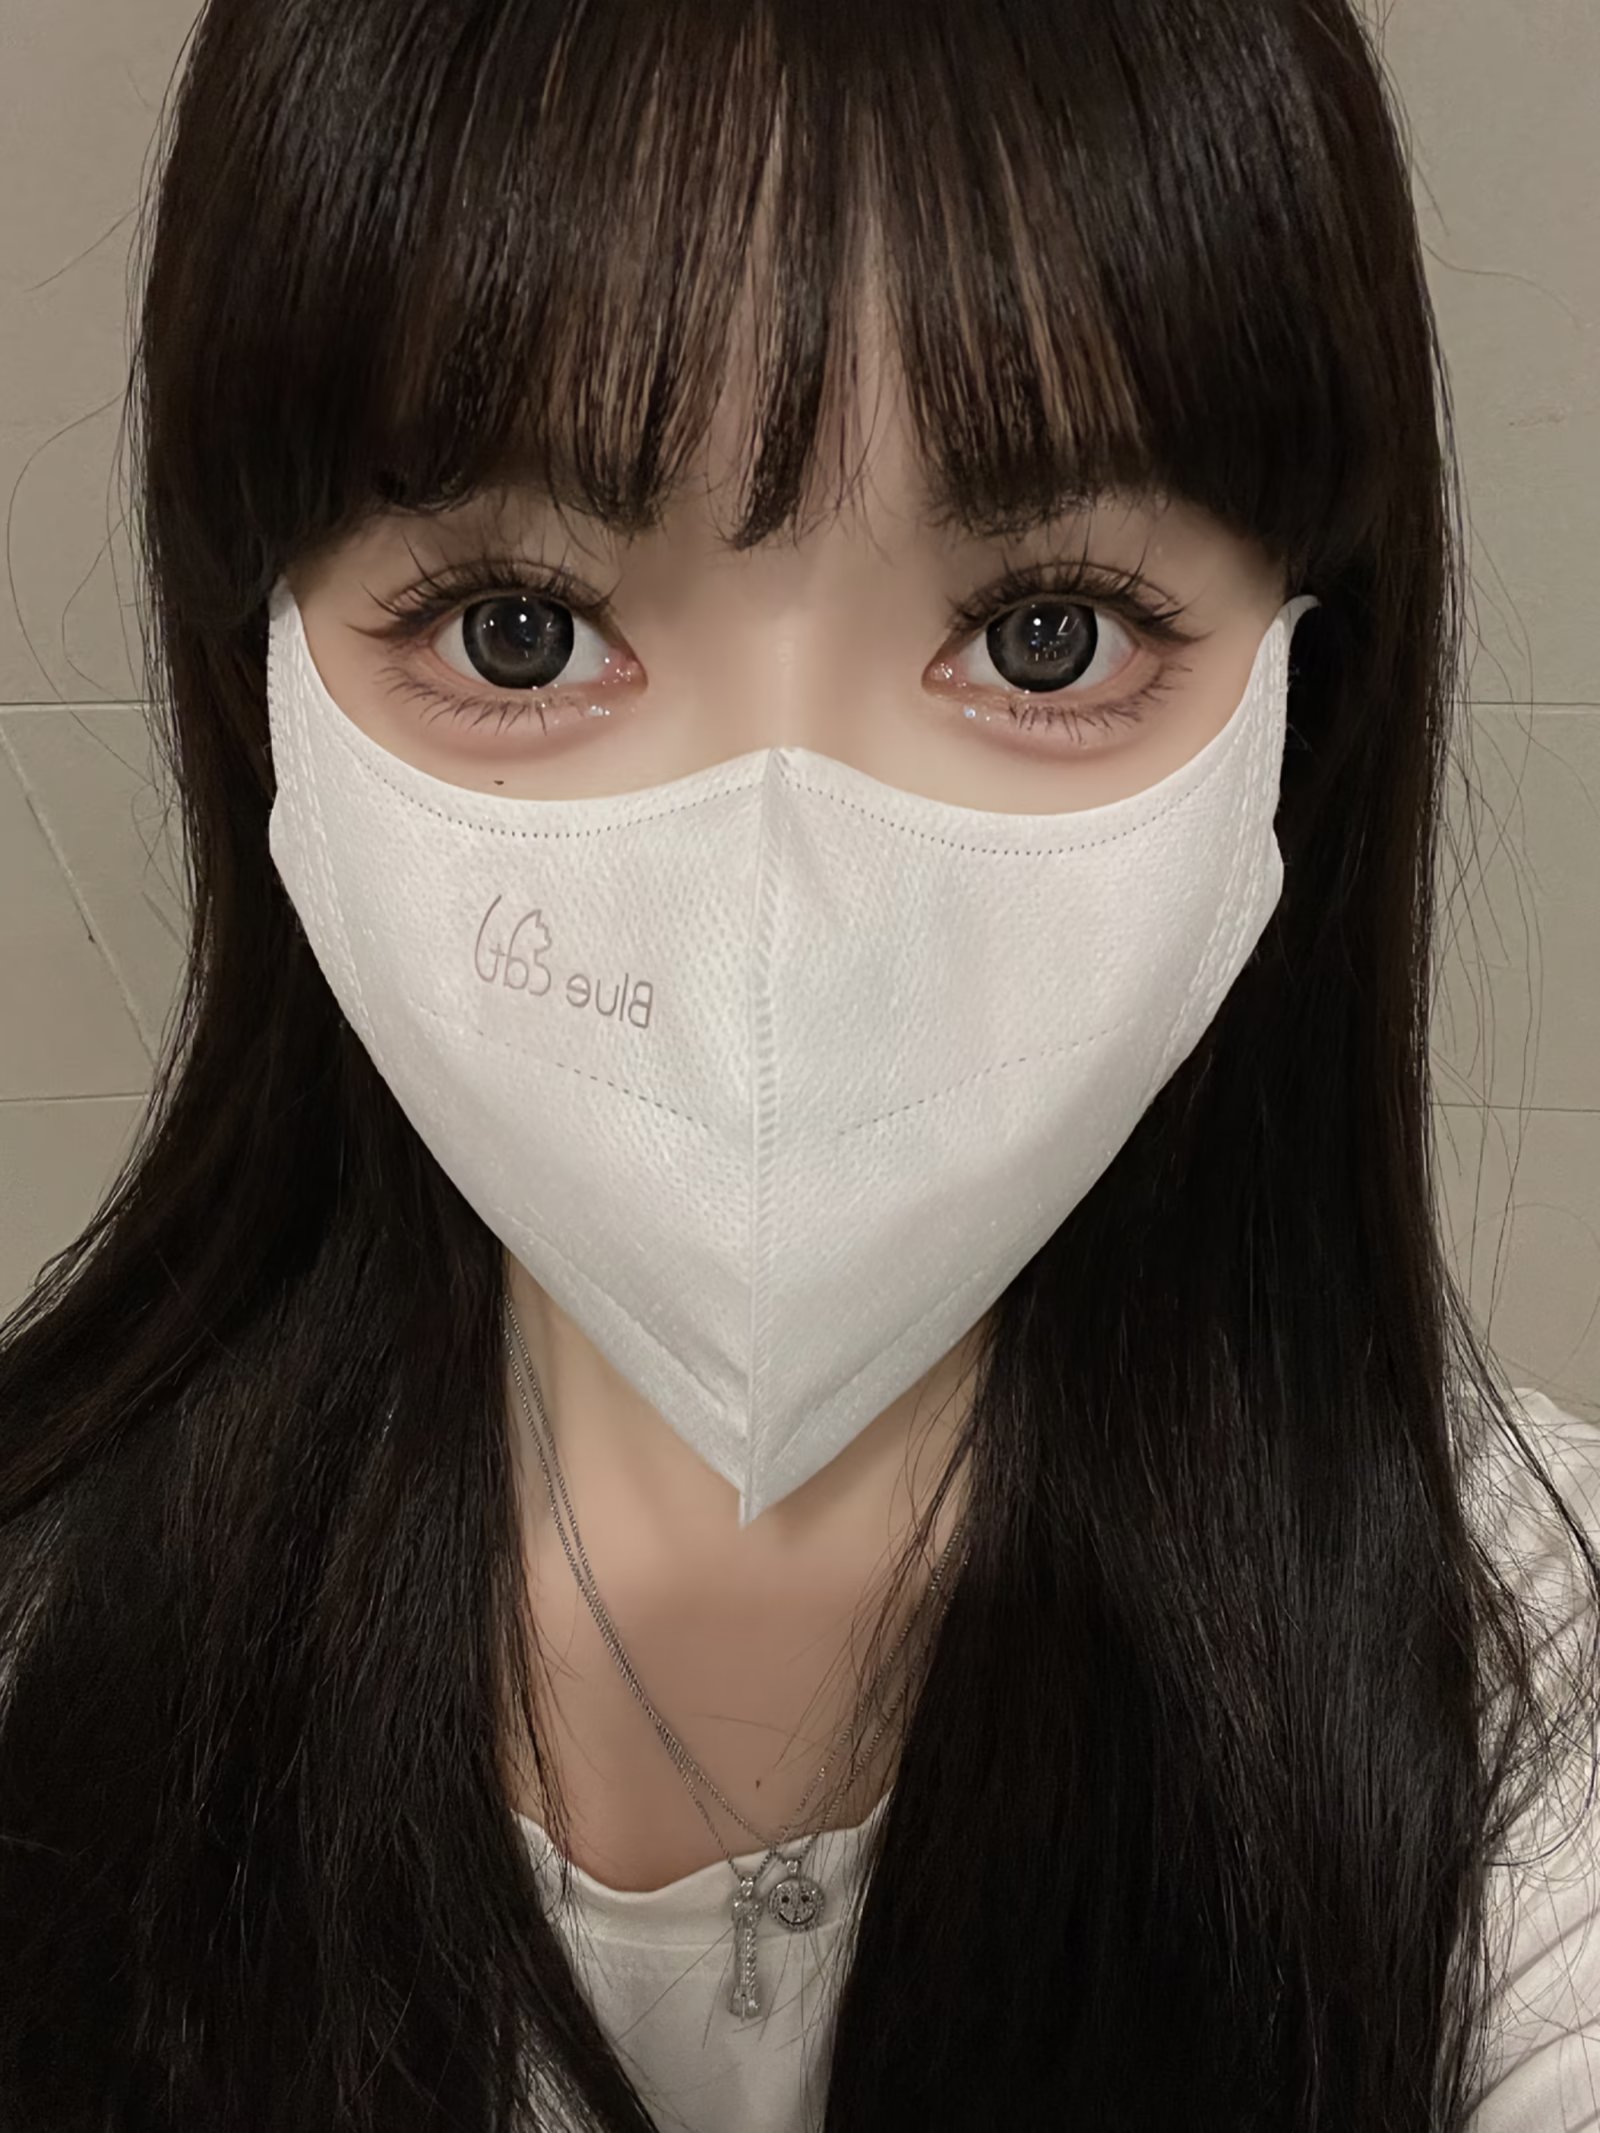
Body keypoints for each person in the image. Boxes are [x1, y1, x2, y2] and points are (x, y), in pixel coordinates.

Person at [0, 1, 1596, 2128]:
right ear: (261, 675)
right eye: (518, 626)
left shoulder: (1528, 1692)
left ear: (1306, 695)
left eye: (1042, 632)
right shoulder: (51, 1634)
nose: (786, 919)